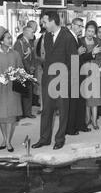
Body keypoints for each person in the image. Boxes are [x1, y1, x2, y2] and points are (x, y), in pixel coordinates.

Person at [32, 11, 78, 150]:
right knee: (47, 110)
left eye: (44, 22)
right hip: (48, 79)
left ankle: (60, 139)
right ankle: (44, 139)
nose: (42, 24)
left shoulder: (68, 37)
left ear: (53, 21)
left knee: (63, 111)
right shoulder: (46, 37)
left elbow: (74, 61)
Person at [66, 17, 92, 135]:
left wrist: (92, 54)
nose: (81, 28)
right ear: (72, 25)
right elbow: (64, 57)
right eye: (79, 26)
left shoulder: (79, 40)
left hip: (80, 73)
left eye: (82, 26)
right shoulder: (67, 38)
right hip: (71, 74)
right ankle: (71, 128)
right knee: (73, 103)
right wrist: (77, 53)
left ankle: (80, 124)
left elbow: (82, 57)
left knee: (81, 101)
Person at [79, 20, 101, 130]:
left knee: (94, 98)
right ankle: (87, 119)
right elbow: (78, 57)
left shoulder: (98, 41)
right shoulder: (79, 41)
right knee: (85, 98)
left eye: (92, 31)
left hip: (94, 71)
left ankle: (94, 121)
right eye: (88, 31)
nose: (90, 33)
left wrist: (98, 65)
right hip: (83, 72)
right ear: (85, 31)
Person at [13, 26, 36, 119]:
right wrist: (28, 68)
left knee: (28, 92)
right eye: (31, 32)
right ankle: (18, 113)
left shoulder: (29, 43)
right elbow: (19, 58)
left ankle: (27, 112)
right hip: (21, 71)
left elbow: (32, 57)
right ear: (25, 32)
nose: (33, 34)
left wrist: (33, 66)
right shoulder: (19, 43)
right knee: (20, 93)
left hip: (29, 70)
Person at [34, 18, 46, 114]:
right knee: (41, 88)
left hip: (51, 67)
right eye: (43, 32)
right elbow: (35, 55)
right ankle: (42, 106)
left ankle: (54, 108)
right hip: (40, 68)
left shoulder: (53, 41)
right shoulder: (36, 42)